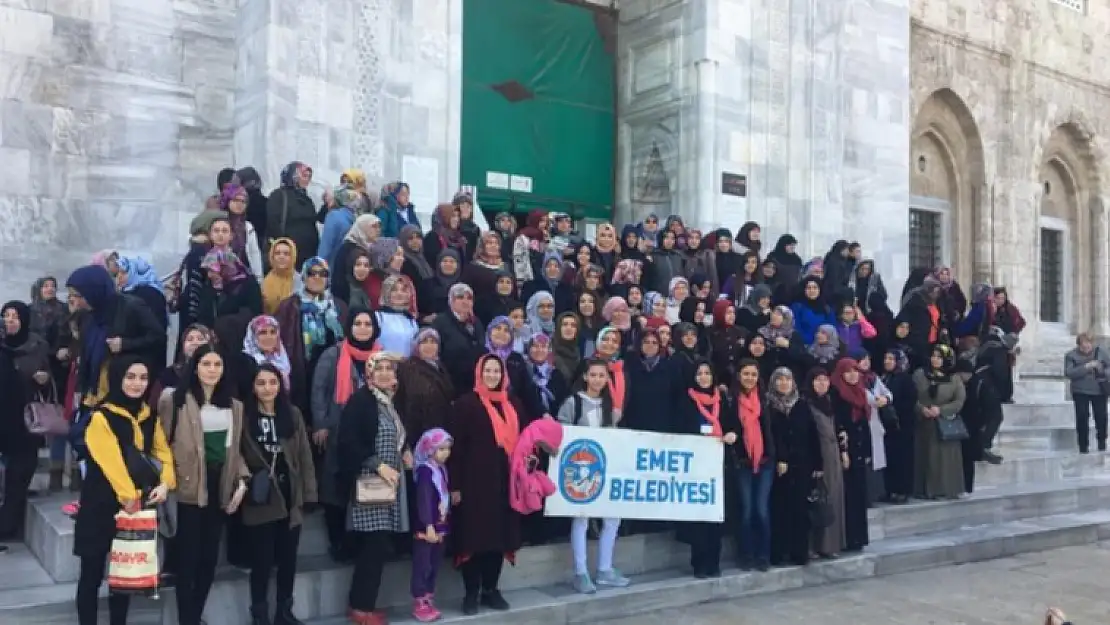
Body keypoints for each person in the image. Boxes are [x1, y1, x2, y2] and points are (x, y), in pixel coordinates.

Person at [74, 355, 174, 625]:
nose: (137, 383)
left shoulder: (148, 415)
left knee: (124, 575)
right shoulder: (100, 417)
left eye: (142, 378)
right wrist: (129, 496)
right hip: (100, 505)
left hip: (133, 508)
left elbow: (162, 452)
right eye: (130, 377)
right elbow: (110, 462)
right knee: (91, 574)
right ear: (118, 378)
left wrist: (166, 482)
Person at [160, 344, 250, 625]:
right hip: (186, 488)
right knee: (187, 560)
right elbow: (160, 445)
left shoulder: (235, 406)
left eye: (217, 365)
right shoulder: (174, 399)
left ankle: (195, 616)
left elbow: (236, 451)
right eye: (206, 364)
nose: (212, 370)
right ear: (195, 367)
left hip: (219, 485)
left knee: (209, 560)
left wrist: (242, 482)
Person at [447, 354, 530, 614]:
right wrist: (455, 486)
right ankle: (471, 592)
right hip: (474, 484)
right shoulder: (466, 404)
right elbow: (456, 448)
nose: (492, 376)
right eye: (488, 371)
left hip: (506, 483)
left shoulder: (514, 404)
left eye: (497, 371)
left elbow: (525, 442)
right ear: (479, 374)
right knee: (473, 539)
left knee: (499, 538)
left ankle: (491, 590)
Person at [337, 352, 412, 625]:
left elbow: (393, 436)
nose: (383, 373)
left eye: (388, 369)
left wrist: (405, 451)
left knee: (378, 548)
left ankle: (365, 605)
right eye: (377, 368)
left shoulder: (388, 402)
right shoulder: (361, 401)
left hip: (388, 486)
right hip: (370, 484)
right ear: (368, 373)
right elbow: (348, 441)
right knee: (374, 547)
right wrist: (377, 465)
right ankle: (360, 608)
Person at [242, 364, 318, 625]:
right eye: (261, 383)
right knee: (261, 561)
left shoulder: (292, 413)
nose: (267, 388)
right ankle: (259, 614)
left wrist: (309, 493)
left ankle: (284, 612)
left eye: (272, 382)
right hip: (261, 495)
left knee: (288, 559)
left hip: (289, 492)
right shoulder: (244, 415)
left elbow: (304, 456)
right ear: (253, 386)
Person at [556, 359, 631, 593]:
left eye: (602, 375)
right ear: (586, 377)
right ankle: (580, 572)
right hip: (582, 470)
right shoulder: (573, 403)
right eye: (594, 375)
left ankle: (605, 569)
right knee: (581, 519)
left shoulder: (612, 408)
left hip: (605, 470)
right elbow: (562, 431)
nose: (598, 379)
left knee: (612, 518)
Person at [312, 309, 380, 562]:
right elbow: (319, 390)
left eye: (367, 324)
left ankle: (361, 540)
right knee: (336, 485)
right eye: (357, 323)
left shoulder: (381, 357)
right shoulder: (333, 355)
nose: (362, 328)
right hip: (338, 428)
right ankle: (337, 541)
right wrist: (320, 423)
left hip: (372, 431)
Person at [674, 359, 739, 577]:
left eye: (707, 373)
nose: (704, 377)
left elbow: (733, 425)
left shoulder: (722, 401)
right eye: (699, 373)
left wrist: (731, 434)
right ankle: (699, 562)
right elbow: (680, 429)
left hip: (719, 466)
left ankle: (714, 561)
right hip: (696, 467)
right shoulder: (686, 401)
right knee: (699, 517)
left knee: (716, 517)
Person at [0, 300, 52, 541]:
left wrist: (43, 377)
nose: (10, 320)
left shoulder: (37, 346)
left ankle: (8, 526)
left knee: (19, 475)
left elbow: (51, 377)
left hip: (25, 421)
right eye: (6, 315)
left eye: (15, 316)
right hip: (3, 418)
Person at [766, 367, 821, 566]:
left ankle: (799, 552)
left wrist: (817, 464)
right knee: (779, 510)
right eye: (779, 379)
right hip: (779, 467)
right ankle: (778, 553)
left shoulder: (801, 406)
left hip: (802, 465)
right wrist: (780, 457)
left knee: (800, 511)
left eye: (787, 379)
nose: (783, 383)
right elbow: (771, 436)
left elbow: (812, 435)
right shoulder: (768, 406)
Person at [730, 358, 774, 570]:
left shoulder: (764, 400)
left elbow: (771, 430)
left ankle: (763, 555)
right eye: (746, 374)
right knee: (746, 510)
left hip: (764, 461)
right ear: (739, 375)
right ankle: (746, 554)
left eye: (753, 375)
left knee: (762, 510)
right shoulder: (731, 399)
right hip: (743, 461)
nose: (749, 378)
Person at [913, 345, 967, 500]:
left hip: (945, 423)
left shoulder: (954, 378)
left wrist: (942, 409)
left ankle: (945, 489)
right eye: (934, 356)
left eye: (939, 357)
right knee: (926, 457)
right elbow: (912, 396)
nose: (935, 360)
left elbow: (959, 400)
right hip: (924, 422)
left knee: (945, 459)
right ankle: (924, 490)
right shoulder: (920, 375)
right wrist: (921, 409)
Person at [410, 428, 453, 622]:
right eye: (441, 449)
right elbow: (424, 499)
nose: (446, 452)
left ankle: (428, 598)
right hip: (427, 527)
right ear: (429, 449)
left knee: (434, 563)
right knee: (423, 563)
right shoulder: (425, 472)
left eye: (447, 448)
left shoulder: (441, 470)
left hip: (440, 525)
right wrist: (428, 524)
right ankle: (419, 602)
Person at [829, 358, 871, 552]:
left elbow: (864, 424)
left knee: (859, 495)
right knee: (847, 496)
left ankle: (858, 538)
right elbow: (838, 425)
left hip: (860, 451)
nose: (853, 375)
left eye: (855, 370)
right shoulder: (837, 396)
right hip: (845, 453)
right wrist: (843, 450)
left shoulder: (860, 393)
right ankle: (847, 538)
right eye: (848, 371)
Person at [804, 367, 846, 558]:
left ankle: (830, 545)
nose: (822, 384)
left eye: (825, 380)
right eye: (817, 380)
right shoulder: (806, 404)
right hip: (818, 456)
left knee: (833, 499)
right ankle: (813, 546)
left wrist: (843, 447)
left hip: (833, 455)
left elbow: (838, 428)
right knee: (817, 499)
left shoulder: (830, 403)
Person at [1064, 332, 1110, 454]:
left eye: (1089, 346)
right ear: (1079, 345)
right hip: (1080, 391)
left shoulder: (1101, 352)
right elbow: (1069, 373)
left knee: (1101, 417)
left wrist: (1102, 370)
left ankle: (1102, 443)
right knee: (1082, 417)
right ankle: (1083, 446)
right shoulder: (1070, 355)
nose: (1087, 349)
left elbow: (1108, 368)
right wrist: (1086, 367)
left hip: (1099, 390)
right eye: (1084, 347)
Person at [267, 161, 319, 266]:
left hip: (308, 256)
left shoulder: (306, 198)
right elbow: (273, 222)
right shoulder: (279, 195)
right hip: (288, 255)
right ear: (293, 175)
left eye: (309, 176)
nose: (307, 179)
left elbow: (314, 220)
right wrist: (284, 246)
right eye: (304, 175)